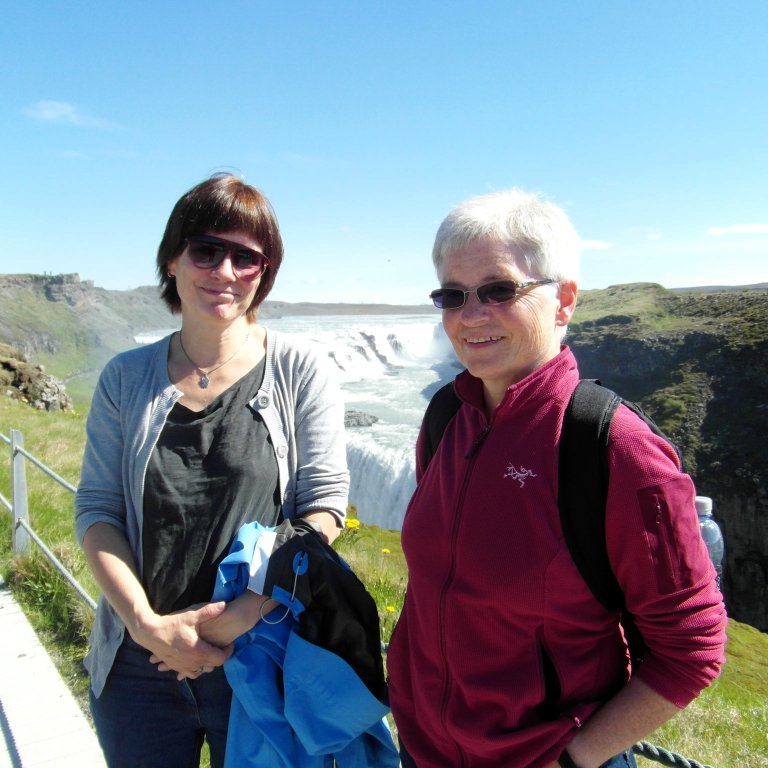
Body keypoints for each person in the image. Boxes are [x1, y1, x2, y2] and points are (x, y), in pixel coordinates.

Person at [386, 189, 727, 768]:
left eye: (499, 290)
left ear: (564, 301)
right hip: (424, 750)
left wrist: (576, 758)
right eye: (452, 294)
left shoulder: (613, 448)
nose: (470, 315)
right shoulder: (447, 416)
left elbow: (692, 648)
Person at [75, 174, 349, 767]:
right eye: (206, 249)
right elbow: (97, 511)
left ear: (264, 273)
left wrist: (237, 618)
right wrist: (147, 625)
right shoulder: (125, 378)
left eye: (247, 257)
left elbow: (323, 509)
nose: (224, 271)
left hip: (260, 654)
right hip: (137, 665)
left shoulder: (301, 371)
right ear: (173, 259)